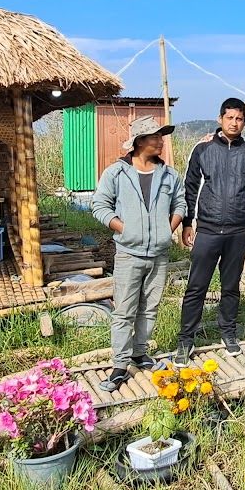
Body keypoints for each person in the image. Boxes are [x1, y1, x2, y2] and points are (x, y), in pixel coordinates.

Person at [90, 116, 183, 392]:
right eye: (155, 136)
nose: (161, 141)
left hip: (159, 254)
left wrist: (168, 229)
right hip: (129, 253)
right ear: (139, 141)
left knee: (150, 307)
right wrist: (125, 229)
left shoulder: (169, 175)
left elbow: (181, 203)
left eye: (162, 135)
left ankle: (140, 353)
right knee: (124, 310)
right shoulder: (116, 173)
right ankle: (120, 365)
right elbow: (100, 206)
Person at [176, 97, 245, 362]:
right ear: (220, 119)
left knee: (231, 286)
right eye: (229, 118)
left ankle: (228, 332)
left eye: (239, 119)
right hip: (207, 230)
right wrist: (186, 223)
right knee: (196, 286)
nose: (234, 123)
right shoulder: (202, 149)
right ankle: (186, 339)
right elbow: (190, 188)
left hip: (238, 231)